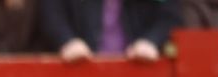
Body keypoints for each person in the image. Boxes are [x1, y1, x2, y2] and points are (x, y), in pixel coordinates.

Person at [37, 0, 180, 60]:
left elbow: (171, 16)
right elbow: (51, 13)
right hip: (78, 70)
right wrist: (67, 40)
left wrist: (151, 40)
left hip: (138, 71)